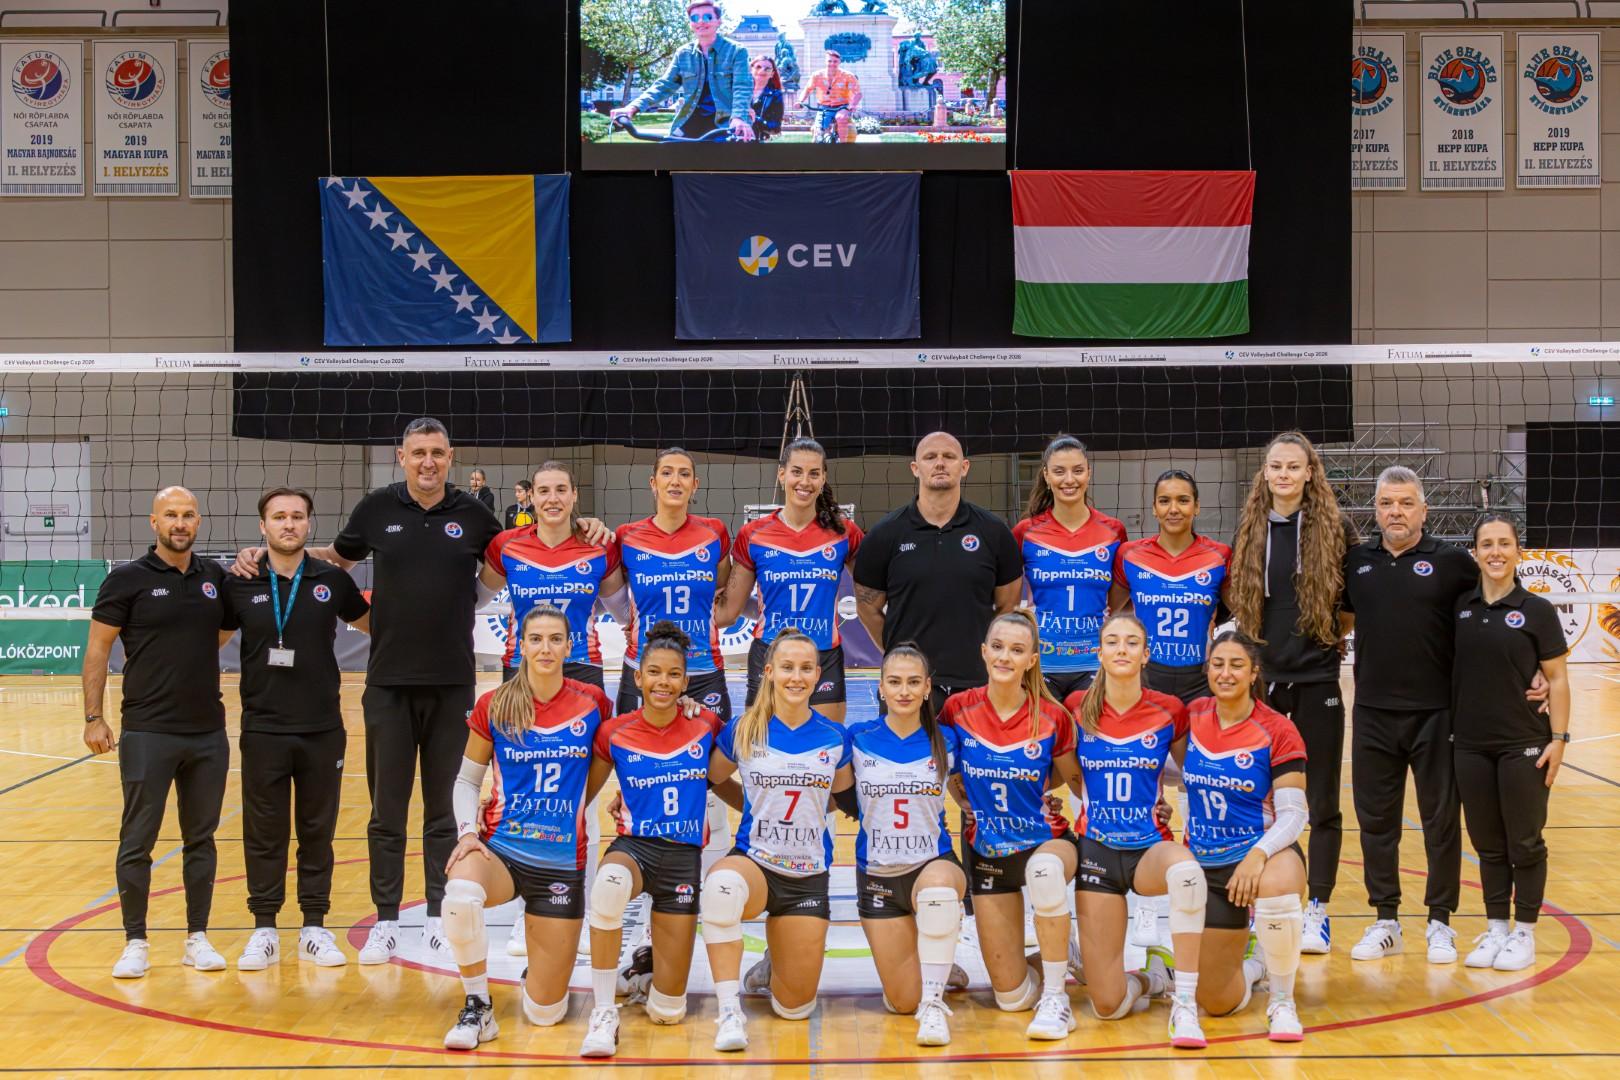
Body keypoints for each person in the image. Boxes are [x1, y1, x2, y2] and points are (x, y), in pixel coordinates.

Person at [232, 417, 503, 966]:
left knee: (445, 811)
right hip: (388, 685)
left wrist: (468, 601)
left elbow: (502, 562)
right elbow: (337, 559)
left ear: (451, 457)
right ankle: (386, 921)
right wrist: (269, 554)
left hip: (453, 684)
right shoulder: (376, 508)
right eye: (418, 453)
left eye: (437, 453)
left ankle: (437, 916)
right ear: (401, 457)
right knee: (386, 812)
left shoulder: (474, 515)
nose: (428, 462)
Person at [439, 605, 615, 1050]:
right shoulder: (496, 703)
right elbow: (466, 781)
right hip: (502, 851)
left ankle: (537, 975)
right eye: (535, 639)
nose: (545, 648)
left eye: (555, 639)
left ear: (570, 646)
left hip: (560, 863)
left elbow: (605, 763)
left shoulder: (593, 702)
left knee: (545, 1013)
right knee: (460, 893)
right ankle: (478, 1005)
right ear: (521, 645)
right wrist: (467, 833)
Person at [85, 487, 238, 979]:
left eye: (188, 514)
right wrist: (93, 717)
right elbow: (97, 649)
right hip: (147, 730)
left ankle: (197, 938)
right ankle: (135, 942)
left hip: (207, 731)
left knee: (201, 839)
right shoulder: (127, 579)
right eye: (170, 515)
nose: (180, 522)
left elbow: (221, 633)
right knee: (137, 841)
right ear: (154, 522)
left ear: (198, 521)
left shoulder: (215, 577)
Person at [226, 488, 371, 971]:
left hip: (322, 728)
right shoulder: (241, 581)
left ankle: (314, 927)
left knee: (317, 832)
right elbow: (207, 641)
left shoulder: (332, 580)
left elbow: (380, 627)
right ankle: (264, 929)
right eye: (278, 517)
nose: (288, 524)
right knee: (263, 833)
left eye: (297, 516)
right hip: (262, 728)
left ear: (309, 524)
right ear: (262, 526)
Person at [1339, 466, 1476, 965]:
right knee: (1376, 822)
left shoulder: (1454, 563)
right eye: (1386, 504)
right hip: (1373, 712)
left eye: (1405, 503)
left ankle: (1440, 922)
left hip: (1437, 713)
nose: (1395, 512)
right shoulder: (1357, 562)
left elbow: (1495, 613)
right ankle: (1386, 920)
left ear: (1423, 509)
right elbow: (1339, 621)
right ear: (1375, 510)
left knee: (1441, 822)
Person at [1227, 430, 1357, 954]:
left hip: (1316, 682)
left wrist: (1319, 642)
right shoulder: (1250, 528)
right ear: (1265, 473)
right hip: (1263, 686)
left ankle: (1317, 910)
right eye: (1276, 466)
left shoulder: (1336, 529)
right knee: (1256, 800)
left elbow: (1349, 610)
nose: (1283, 474)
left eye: (1293, 467)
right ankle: (1256, 905)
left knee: (1322, 801)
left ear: (1309, 473)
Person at [578, 622, 730, 1057]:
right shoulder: (614, 731)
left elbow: (723, 778)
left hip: (683, 857)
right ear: (638, 677)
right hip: (635, 848)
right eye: (655, 673)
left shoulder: (706, 724)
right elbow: (583, 793)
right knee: (608, 887)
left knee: (668, 1011)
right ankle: (603, 1012)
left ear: (686, 681)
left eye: (674, 674)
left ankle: (644, 973)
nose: (664, 682)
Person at [700, 629, 854, 1052]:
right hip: (756, 863)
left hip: (807, 875)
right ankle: (729, 1010)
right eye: (787, 667)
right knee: (721, 888)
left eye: (806, 668)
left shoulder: (834, 737)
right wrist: (750, 802)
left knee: (794, 1008)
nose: (796, 677)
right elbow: (712, 778)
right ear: (769, 672)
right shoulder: (744, 729)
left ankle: (775, 962)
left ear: (818, 675)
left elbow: (842, 799)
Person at [1062, 613, 1203, 1047]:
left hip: (1149, 848)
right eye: (1112, 641)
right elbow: (1069, 774)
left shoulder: (1169, 709)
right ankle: (1155, 977)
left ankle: (1185, 1001)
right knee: (1107, 1005)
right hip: (1097, 850)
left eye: (1131, 642)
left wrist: (1161, 796)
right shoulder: (1077, 706)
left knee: (1186, 872)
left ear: (1146, 654)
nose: (1121, 649)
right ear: (1099, 652)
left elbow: (1193, 775)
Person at [942, 610, 1083, 1041]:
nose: (1005, 657)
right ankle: (1060, 951)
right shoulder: (957, 709)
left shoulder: (1053, 716)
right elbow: (949, 768)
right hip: (988, 850)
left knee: (1044, 873)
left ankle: (1057, 997)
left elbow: (1074, 779)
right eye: (999, 647)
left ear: (1032, 660)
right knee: (1011, 997)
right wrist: (960, 794)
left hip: (1046, 840)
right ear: (984, 652)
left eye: (1017, 650)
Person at [1451, 514, 1570, 972]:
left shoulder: (1537, 610)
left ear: (1519, 552)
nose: (1496, 552)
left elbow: (1557, 679)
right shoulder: (1460, 607)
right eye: (1487, 544)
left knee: (1525, 842)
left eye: (1504, 543)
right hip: (1470, 744)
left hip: (1524, 743)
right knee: (1488, 844)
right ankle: (1497, 927)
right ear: (1475, 553)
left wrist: (1559, 739)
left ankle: (1525, 933)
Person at [1181, 631, 1310, 1042]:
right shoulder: (1192, 715)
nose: (1226, 673)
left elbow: (1295, 814)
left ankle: (1282, 1001)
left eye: (1237, 665)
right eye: (1218, 664)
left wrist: (1258, 854)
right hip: (1207, 862)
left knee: (1278, 887)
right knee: (1216, 1002)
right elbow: (1168, 771)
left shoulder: (1277, 729)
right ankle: (1256, 966)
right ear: (1207, 670)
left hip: (1263, 851)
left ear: (1254, 673)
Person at [843, 644, 968, 1046]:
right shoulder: (856, 739)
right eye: (894, 682)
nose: (904, 691)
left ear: (928, 687)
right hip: (878, 874)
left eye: (914, 682)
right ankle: (931, 965)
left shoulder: (948, 740)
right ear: (880, 687)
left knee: (938, 895)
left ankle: (933, 1003)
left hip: (933, 863)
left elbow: (980, 784)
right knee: (901, 1001)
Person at [854, 431, 1023, 712]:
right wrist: (898, 654)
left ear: (964, 467)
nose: (940, 463)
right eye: (930, 457)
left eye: (949, 456)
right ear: (915, 468)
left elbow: (1007, 605)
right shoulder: (885, 534)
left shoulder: (994, 532)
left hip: (977, 682)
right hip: (910, 685)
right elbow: (866, 607)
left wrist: (986, 653)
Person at [719, 437, 862, 724]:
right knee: (762, 745)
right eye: (797, 472)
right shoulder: (754, 534)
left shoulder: (844, 532)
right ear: (782, 474)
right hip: (770, 653)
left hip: (823, 655)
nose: (805, 481)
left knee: (827, 744)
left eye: (814, 473)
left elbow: (871, 595)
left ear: (823, 478)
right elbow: (729, 611)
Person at [611, 447, 732, 718]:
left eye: (684, 474)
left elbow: (724, 592)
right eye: (667, 473)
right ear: (653, 482)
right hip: (645, 668)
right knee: (635, 744)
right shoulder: (626, 537)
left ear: (695, 484)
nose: (675, 481)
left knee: (712, 745)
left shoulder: (715, 533)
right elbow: (610, 595)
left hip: (702, 668)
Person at [483, 462, 623, 690]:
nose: (553, 499)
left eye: (561, 489)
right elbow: (475, 600)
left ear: (574, 494)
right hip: (522, 664)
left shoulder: (599, 546)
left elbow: (623, 614)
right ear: (532, 496)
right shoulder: (506, 545)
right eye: (544, 491)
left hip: (581, 663)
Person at [1012, 434, 1129, 701]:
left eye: (1077, 470)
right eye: (1059, 471)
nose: (1069, 479)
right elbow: (1007, 594)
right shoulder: (1026, 532)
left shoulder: (1113, 531)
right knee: (1045, 729)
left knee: (1088, 727)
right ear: (1046, 475)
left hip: (1095, 662)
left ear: (1089, 473)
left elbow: (1120, 597)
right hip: (1041, 663)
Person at [1116, 470, 1230, 705]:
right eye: (1165, 501)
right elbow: (1108, 610)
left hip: (1200, 680)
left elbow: (1243, 613)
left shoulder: (1219, 556)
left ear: (1196, 507)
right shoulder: (1130, 555)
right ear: (1154, 508)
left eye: (1183, 500)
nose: (1174, 509)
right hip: (1146, 677)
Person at [610, 1, 754, 142]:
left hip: (725, 124)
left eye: (708, 17)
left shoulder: (736, 51)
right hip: (689, 123)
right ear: (691, 23)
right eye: (695, 18)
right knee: (669, 152)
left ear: (718, 21)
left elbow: (742, 87)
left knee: (725, 156)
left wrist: (738, 118)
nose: (701, 21)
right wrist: (633, 107)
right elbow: (664, 85)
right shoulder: (683, 53)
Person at [798, 48, 862, 143]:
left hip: (842, 106)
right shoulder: (817, 75)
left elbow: (858, 93)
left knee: (841, 118)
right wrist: (800, 101)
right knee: (817, 134)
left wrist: (852, 105)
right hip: (824, 107)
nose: (832, 64)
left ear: (839, 62)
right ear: (825, 61)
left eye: (835, 61)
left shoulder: (848, 76)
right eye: (829, 61)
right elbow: (807, 89)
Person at [748, 53, 785, 141]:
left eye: (767, 69)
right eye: (758, 67)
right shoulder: (740, 91)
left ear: (772, 74)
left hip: (759, 142)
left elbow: (775, 128)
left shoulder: (776, 95)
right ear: (751, 70)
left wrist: (755, 118)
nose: (762, 70)